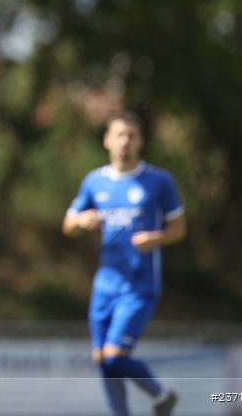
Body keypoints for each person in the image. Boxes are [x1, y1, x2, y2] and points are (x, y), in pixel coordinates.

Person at [62, 112, 186, 416]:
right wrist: (81, 221)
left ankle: (161, 394)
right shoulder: (95, 181)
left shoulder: (158, 181)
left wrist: (154, 238)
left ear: (140, 141)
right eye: (119, 134)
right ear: (107, 140)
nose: (125, 141)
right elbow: (67, 224)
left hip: (139, 286)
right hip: (104, 285)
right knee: (103, 360)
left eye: (131, 135)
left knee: (115, 356)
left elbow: (179, 229)